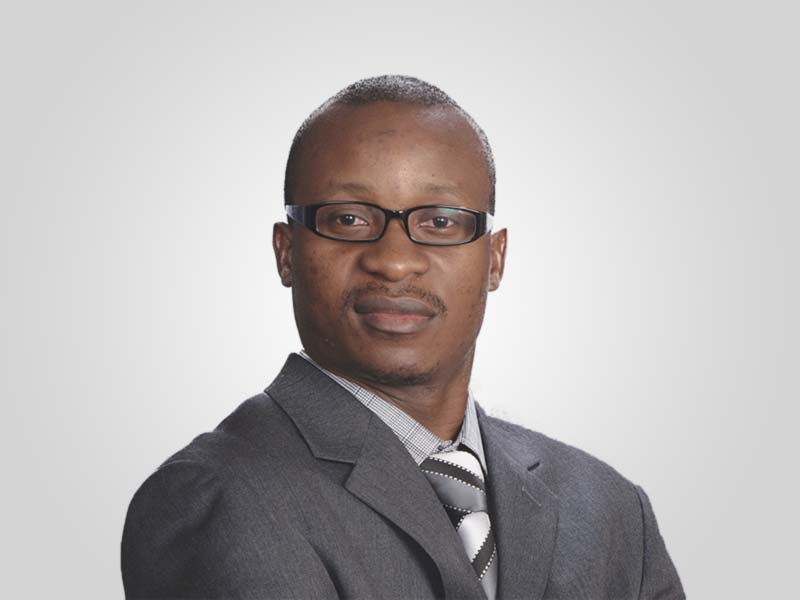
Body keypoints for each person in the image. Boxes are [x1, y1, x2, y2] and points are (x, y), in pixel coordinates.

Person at [121, 75, 685, 600]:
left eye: (440, 221)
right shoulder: (218, 497)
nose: (394, 261)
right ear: (286, 252)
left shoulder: (610, 509)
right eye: (348, 219)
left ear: (494, 259)